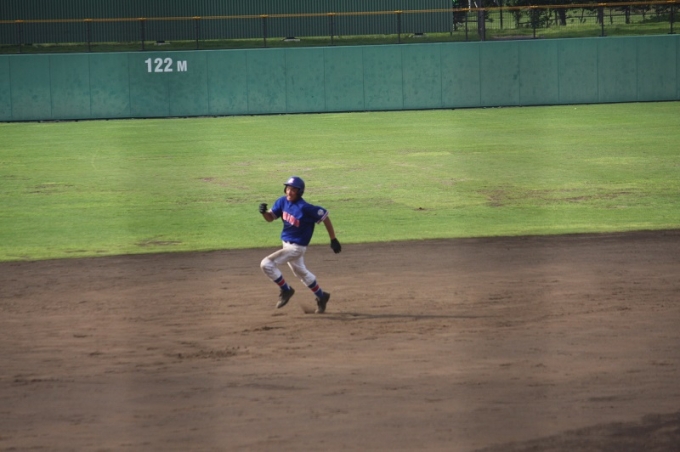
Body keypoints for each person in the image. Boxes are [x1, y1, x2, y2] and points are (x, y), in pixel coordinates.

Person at [259, 176, 341, 314]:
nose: (289, 192)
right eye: (288, 188)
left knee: (266, 264)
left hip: (296, 248)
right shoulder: (282, 201)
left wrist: (333, 239)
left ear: (300, 192)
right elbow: (270, 218)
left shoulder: (305, 208)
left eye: (293, 190)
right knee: (301, 272)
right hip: (286, 245)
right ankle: (321, 296)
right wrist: (264, 212)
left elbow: (325, 217)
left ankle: (286, 290)